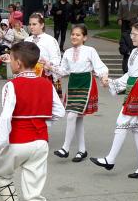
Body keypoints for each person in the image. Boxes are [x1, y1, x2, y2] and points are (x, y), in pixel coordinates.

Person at [0, 41, 65, 201]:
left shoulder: (11, 85)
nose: (9, 62)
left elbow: (5, 118)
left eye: (11, 59)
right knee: (35, 193)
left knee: (1, 176)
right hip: (40, 142)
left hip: (18, 141)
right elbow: (59, 112)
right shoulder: (46, 84)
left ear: (18, 63)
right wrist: (41, 124)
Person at [91, 22, 138, 178]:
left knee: (122, 121)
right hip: (134, 86)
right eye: (131, 34)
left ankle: (110, 159)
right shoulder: (135, 52)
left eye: (134, 34)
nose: (131, 37)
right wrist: (112, 82)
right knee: (137, 129)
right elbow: (130, 74)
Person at [47, 25, 109, 162]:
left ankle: (65, 148)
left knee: (71, 115)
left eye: (78, 35)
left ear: (85, 37)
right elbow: (63, 71)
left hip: (85, 83)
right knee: (77, 117)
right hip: (73, 83)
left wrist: (104, 76)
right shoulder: (68, 52)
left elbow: (99, 66)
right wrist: (50, 67)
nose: (74, 37)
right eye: (73, 34)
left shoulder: (90, 50)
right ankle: (82, 150)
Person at [24, 13, 62, 94]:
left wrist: (46, 64)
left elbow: (56, 59)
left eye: (34, 24)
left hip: (45, 76)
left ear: (42, 25)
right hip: (29, 75)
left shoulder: (50, 40)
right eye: (30, 24)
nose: (31, 27)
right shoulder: (27, 40)